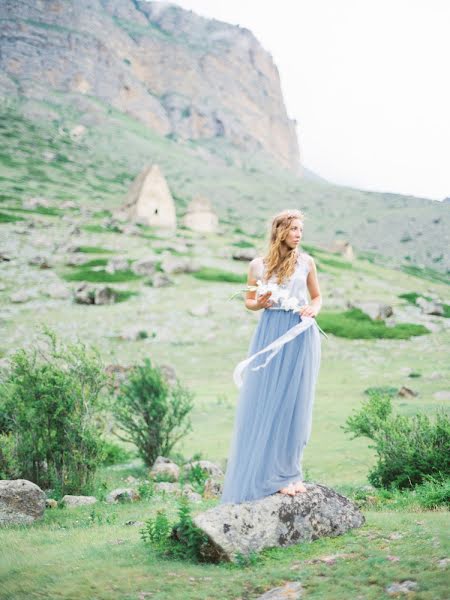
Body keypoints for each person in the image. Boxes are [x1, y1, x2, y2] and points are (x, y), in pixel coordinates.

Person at [220, 209, 323, 505]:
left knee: (295, 401)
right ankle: (267, 475)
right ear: (279, 231)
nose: (299, 234)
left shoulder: (307, 262)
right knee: (267, 400)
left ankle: (289, 473)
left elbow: (316, 297)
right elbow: (250, 302)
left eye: (301, 229)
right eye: (294, 229)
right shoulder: (257, 266)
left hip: (300, 333)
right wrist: (259, 302)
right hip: (270, 331)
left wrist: (313, 309)